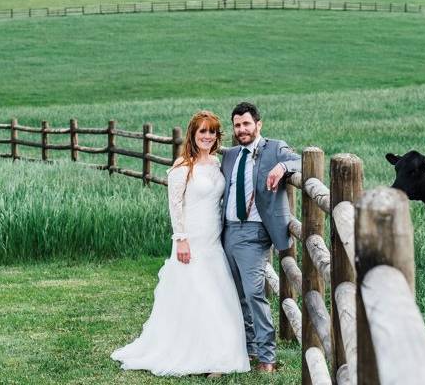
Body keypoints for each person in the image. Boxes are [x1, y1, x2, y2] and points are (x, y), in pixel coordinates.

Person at [111, 110, 250, 377]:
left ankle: (219, 353)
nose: (207, 136)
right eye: (202, 131)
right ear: (193, 135)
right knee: (196, 294)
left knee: (217, 295)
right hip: (192, 239)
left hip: (213, 239)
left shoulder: (218, 163)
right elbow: (175, 207)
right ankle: (197, 355)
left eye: (212, 132)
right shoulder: (182, 167)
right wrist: (181, 240)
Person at [221, 102, 301, 373]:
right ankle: (248, 349)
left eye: (246, 124)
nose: (242, 129)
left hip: (255, 233)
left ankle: (267, 358)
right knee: (237, 294)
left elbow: (301, 160)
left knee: (255, 293)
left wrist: (282, 167)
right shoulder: (230, 155)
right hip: (227, 231)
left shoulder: (275, 147)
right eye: (237, 125)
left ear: (258, 124)